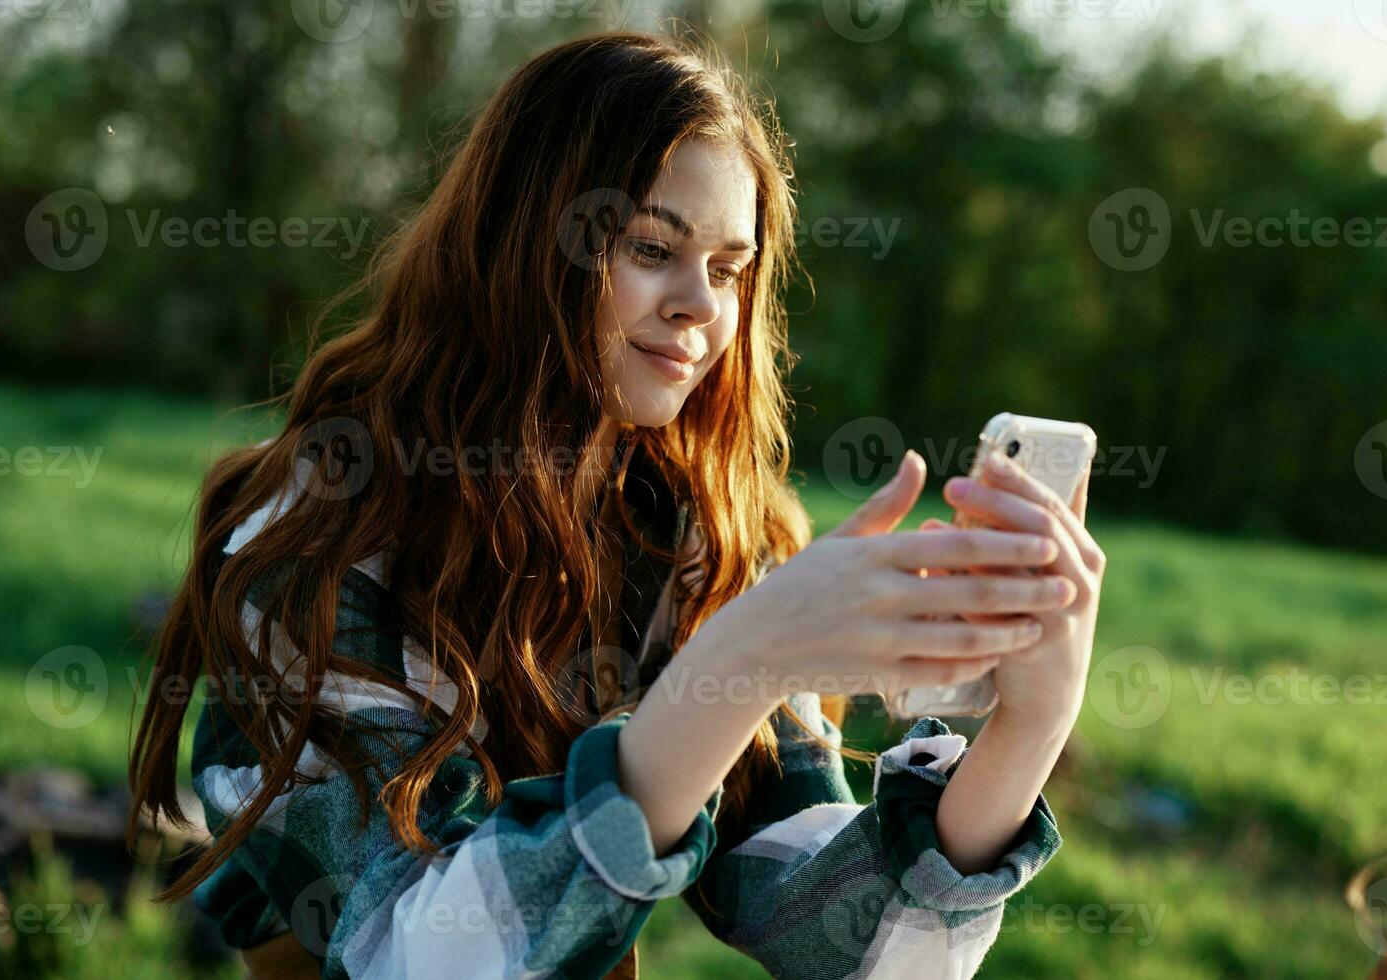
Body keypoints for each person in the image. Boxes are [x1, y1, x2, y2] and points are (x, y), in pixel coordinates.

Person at [126, 29, 1105, 980]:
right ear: (525, 240)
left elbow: (841, 944)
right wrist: (743, 658)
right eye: (652, 247)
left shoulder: (705, 534)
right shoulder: (319, 534)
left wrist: (1029, 723)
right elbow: (418, 951)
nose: (699, 305)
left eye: (729, 268)